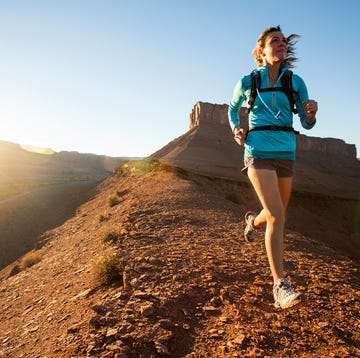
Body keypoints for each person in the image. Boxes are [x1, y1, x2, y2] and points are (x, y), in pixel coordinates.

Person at [228, 26, 318, 309]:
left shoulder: (296, 82)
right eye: (274, 41)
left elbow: (306, 123)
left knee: (275, 211)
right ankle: (280, 285)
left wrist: (312, 114)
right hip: (257, 151)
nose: (281, 44)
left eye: (283, 41)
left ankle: (252, 222)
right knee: (278, 214)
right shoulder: (247, 81)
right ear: (261, 52)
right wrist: (236, 129)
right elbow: (232, 109)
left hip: (286, 151)